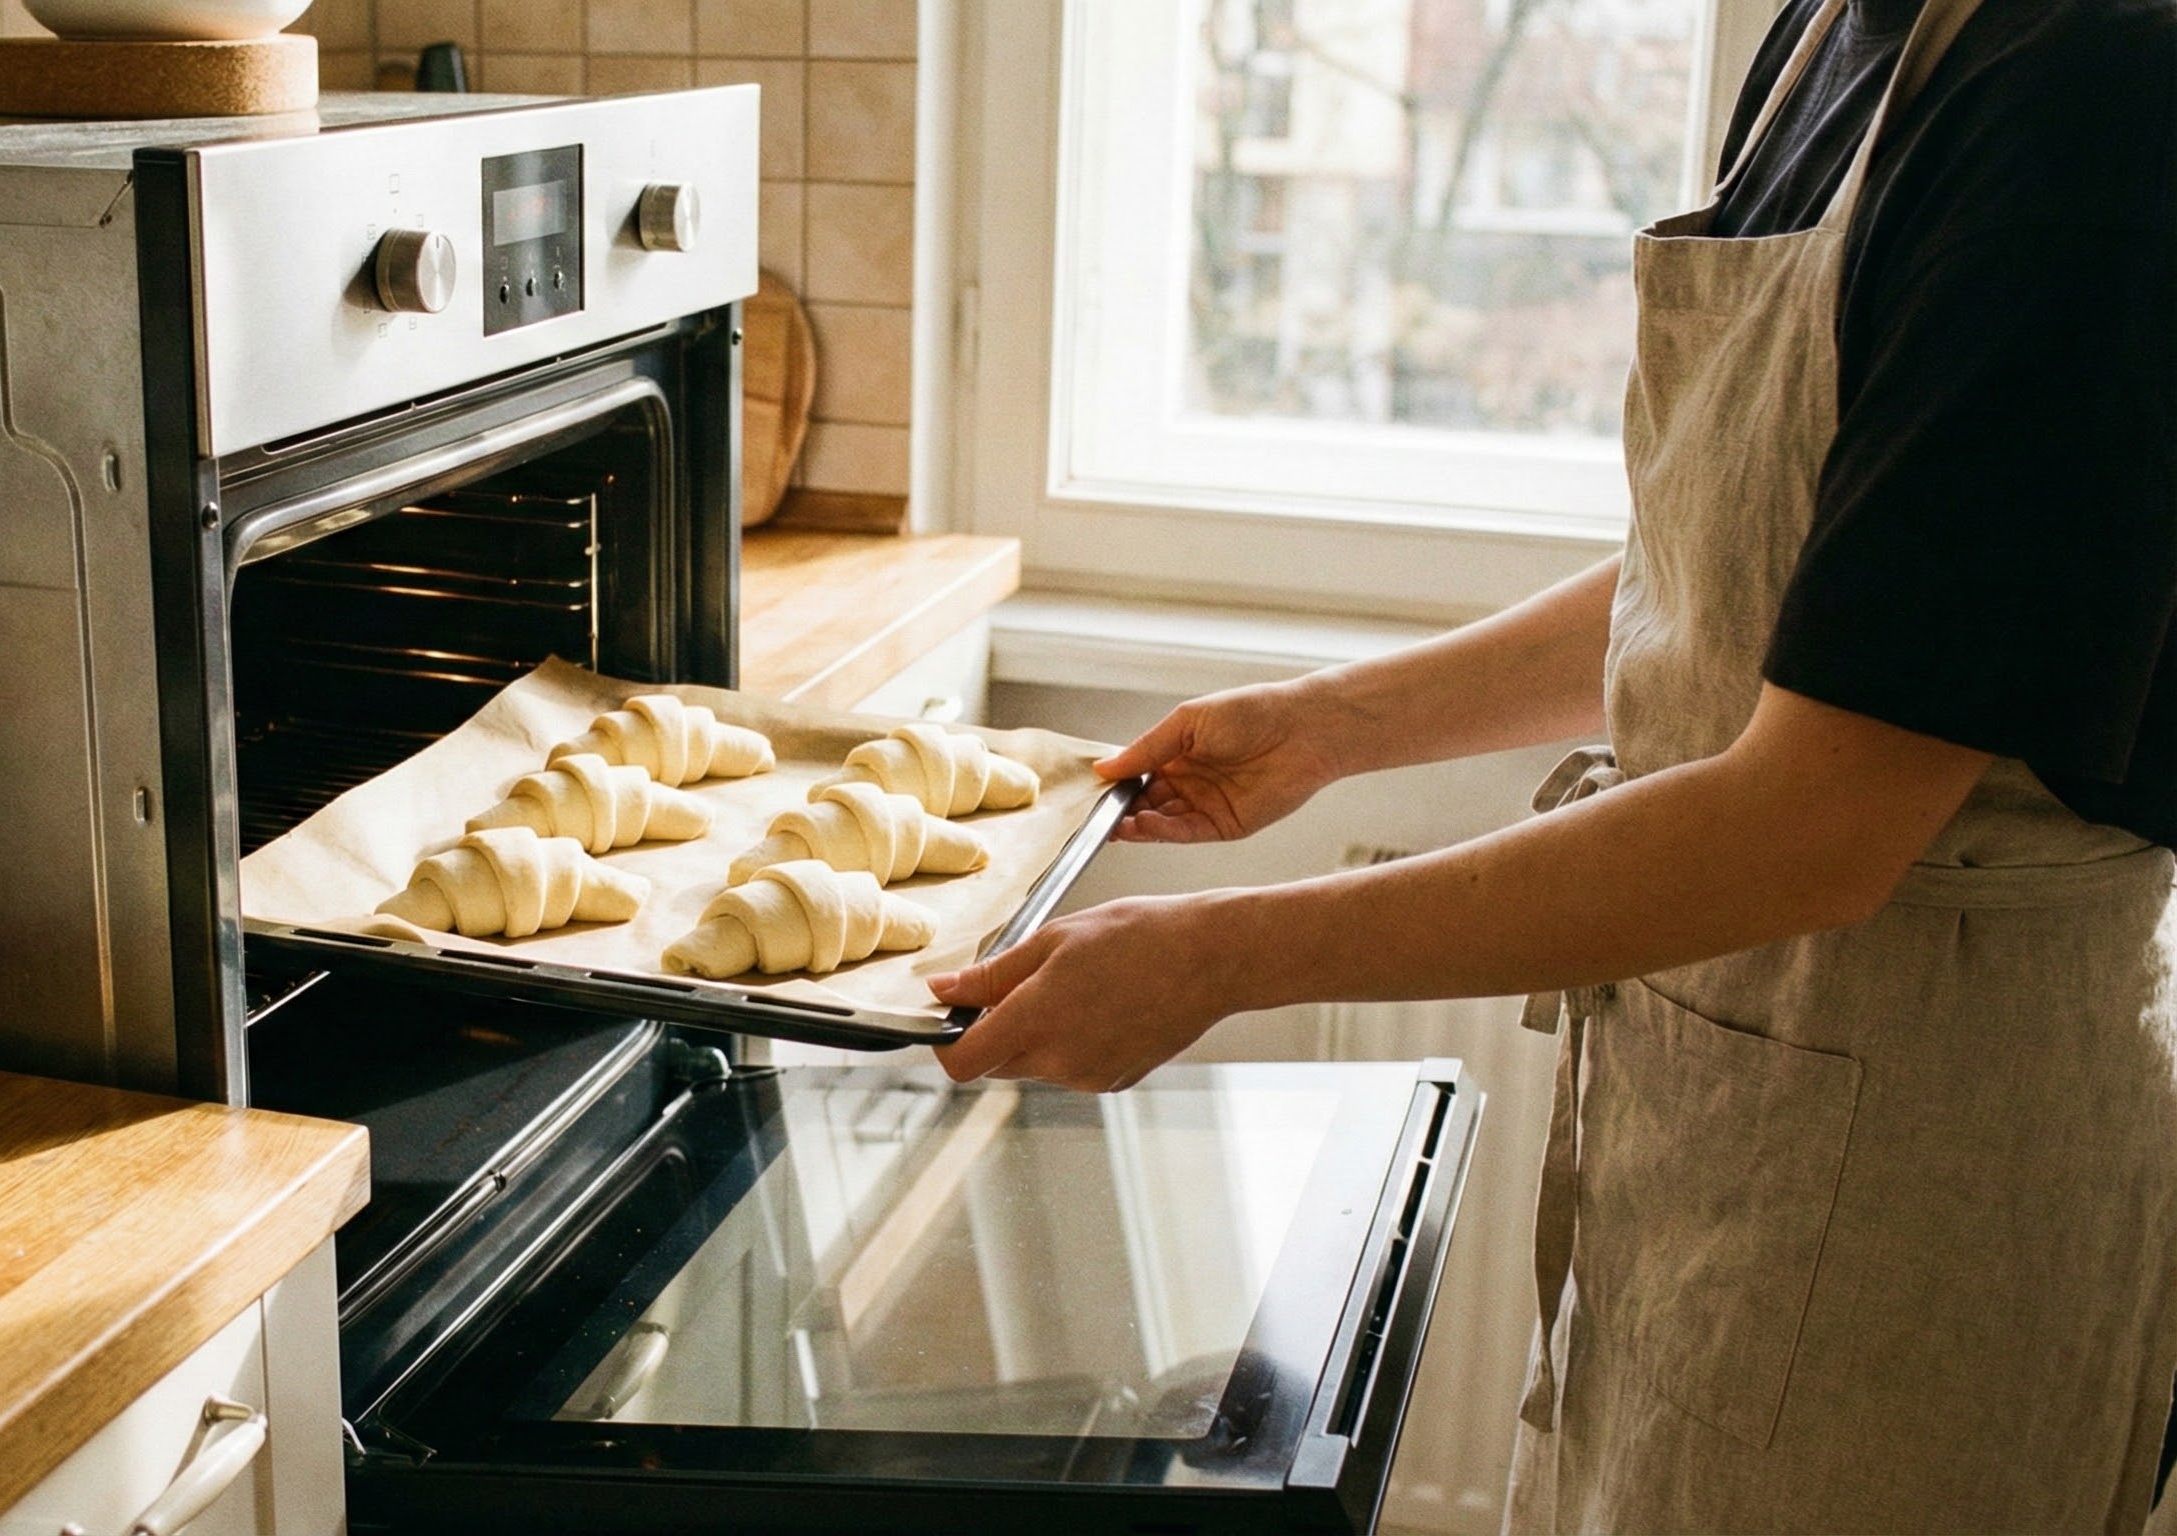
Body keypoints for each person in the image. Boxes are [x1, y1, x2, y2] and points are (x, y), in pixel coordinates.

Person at [925, 0, 2177, 1529]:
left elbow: (1817, 821)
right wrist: (1331, 725)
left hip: (1938, 1174)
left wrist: (1218, 956)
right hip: (1721, 1112)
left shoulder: (2093, 93)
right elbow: (1753, 586)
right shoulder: (1835, 39)